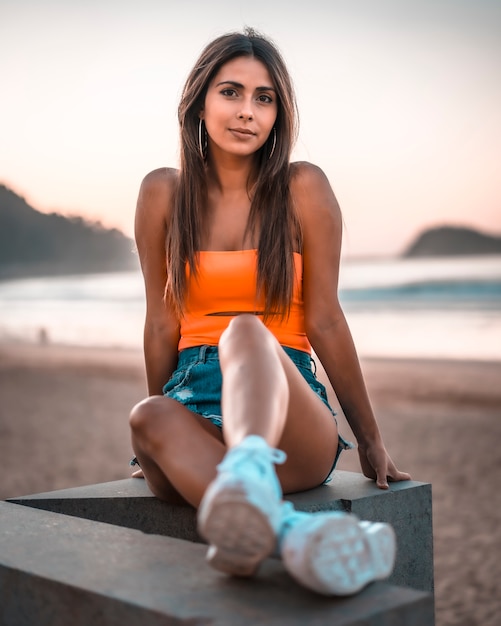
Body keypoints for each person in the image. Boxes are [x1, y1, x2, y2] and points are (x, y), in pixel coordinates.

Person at [129, 28, 411, 596]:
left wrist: (371, 439)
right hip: (196, 409)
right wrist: (158, 435)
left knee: (246, 331)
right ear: (199, 102)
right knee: (146, 417)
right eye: (231, 92)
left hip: (288, 415)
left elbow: (325, 318)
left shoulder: (302, 187)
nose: (247, 112)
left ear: (278, 114)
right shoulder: (162, 193)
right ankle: (290, 536)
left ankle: (252, 466)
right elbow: (162, 323)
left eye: (264, 98)